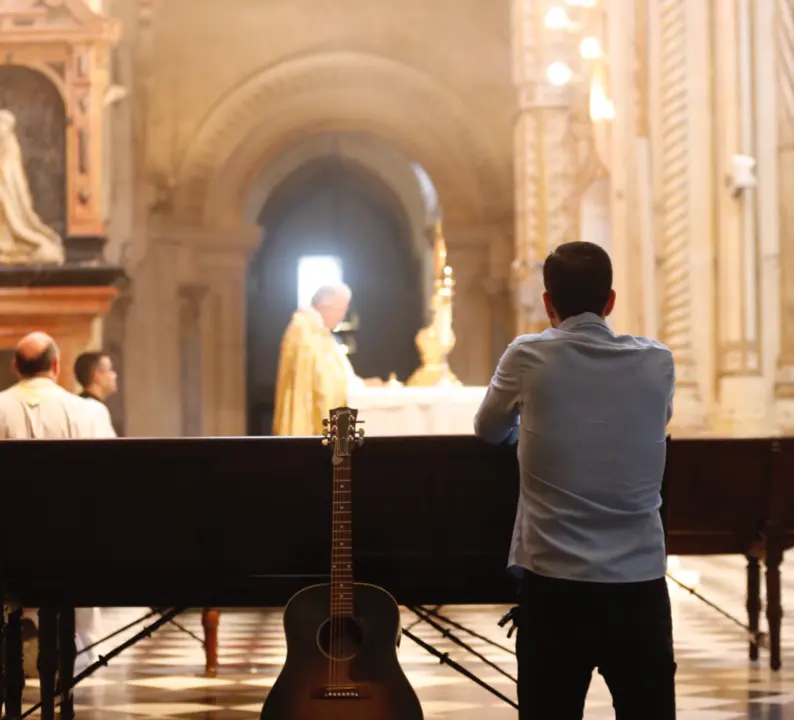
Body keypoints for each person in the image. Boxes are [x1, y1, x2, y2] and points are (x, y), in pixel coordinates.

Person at [474, 241, 676, 719]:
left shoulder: (527, 355)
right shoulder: (657, 361)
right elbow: (654, 418)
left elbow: (488, 430)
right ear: (610, 301)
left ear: (548, 303)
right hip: (639, 584)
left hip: (555, 585)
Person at [0, 332, 108, 675]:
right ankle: (76, 652)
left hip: (9, 547)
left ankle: (18, 641)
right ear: (57, 366)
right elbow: (112, 480)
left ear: (16, 367)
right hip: (72, 545)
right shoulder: (88, 412)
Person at [273, 283, 382, 436]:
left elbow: (335, 374)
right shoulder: (305, 330)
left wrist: (360, 384)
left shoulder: (319, 331)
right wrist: (359, 385)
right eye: (341, 310)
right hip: (309, 424)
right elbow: (324, 382)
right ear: (325, 305)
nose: (342, 317)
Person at [74, 351, 118, 438]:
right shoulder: (94, 410)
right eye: (110, 370)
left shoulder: (76, 406)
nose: (114, 375)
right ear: (97, 375)